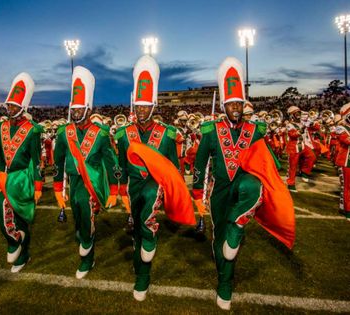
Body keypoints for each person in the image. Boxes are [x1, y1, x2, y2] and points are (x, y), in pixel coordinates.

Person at [192, 57, 295, 310]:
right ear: (224, 105)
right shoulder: (209, 130)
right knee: (219, 238)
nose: (236, 108)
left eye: (239, 103)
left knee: (250, 188)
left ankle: (237, 230)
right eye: (231, 104)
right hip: (219, 191)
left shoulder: (257, 128)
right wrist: (197, 193)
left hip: (244, 187)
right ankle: (223, 278)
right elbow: (199, 164)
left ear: (243, 103)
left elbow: (268, 161)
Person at [114, 55, 195, 302]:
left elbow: (173, 168)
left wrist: (176, 193)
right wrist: (118, 189)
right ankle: (141, 268)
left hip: (154, 190)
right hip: (133, 190)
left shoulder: (167, 134)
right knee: (137, 228)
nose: (140, 110)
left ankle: (143, 277)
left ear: (153, 106)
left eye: (145, 106)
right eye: (137, 106)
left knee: (147, 219)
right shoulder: (123, 133)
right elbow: (121, 165)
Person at [53, 66, 118, 279]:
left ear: (89, 110)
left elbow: (111, 162)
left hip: (93, 180)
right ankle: (83, 239)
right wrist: (56, 186)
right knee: (78, 215)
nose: (76, 112)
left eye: (81, 109)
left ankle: (87, 257)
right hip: (73, 180)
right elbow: (58, 161)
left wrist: (116, 188)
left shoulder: (100, 133)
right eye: (74, 109)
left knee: (84, 207)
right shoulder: (64, 133)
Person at [0, 72, 43, 273]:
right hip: (6, 177)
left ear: (23, 108)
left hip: (23, 178)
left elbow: (37, 161)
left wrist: (38, 186)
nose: (10, 108)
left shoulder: (33, 130)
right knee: (4, 208)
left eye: (14, 105)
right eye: (9, 105)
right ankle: (17, 242)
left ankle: (20, 250)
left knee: (15, 213)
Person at [285, 106, 316, 191]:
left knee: (312, 156)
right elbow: (293, 135)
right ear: (292, 116)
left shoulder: (302, 122)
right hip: (293, 147)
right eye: (296, 113)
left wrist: (312, 122)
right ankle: (290, 184)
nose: (299, 115)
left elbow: (316, 128)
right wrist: (302, 129)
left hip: (302, 145)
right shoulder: (289, 125)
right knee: (292, 167)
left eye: (299, 113)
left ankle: (304, 172)